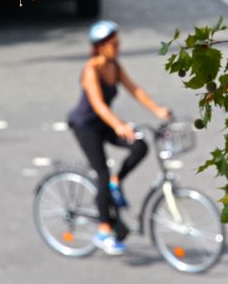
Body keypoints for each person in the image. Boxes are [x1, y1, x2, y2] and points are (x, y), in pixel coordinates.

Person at [68, 20, 170, 255]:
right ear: (100, 46)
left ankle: (117, 181)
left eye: (118, 43)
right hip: (86, 127)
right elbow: (99, 105)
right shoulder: (91, 70)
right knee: (101, 173)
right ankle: (104, 230)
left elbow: (135, 90)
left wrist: (158, 110)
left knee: (140, 146)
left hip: (105, 124)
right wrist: (120, 126)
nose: (118, 47)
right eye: (113, 44)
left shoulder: (114, 66)